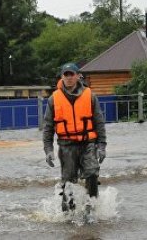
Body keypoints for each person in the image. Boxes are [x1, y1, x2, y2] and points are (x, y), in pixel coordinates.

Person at [43, 62, 107, 212]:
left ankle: (92, 208)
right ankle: (68, 213)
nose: (69, 77)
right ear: (62, 77)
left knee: (92, 173)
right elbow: (48, 128)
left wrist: (102, 146)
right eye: (66, 74)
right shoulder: (54, 99)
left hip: (88, 144)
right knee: (68, 182)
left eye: (72, 74)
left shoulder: (90, 95)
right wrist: (48, 150)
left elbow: (99, 122)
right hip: (66, 146)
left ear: (78, 76)